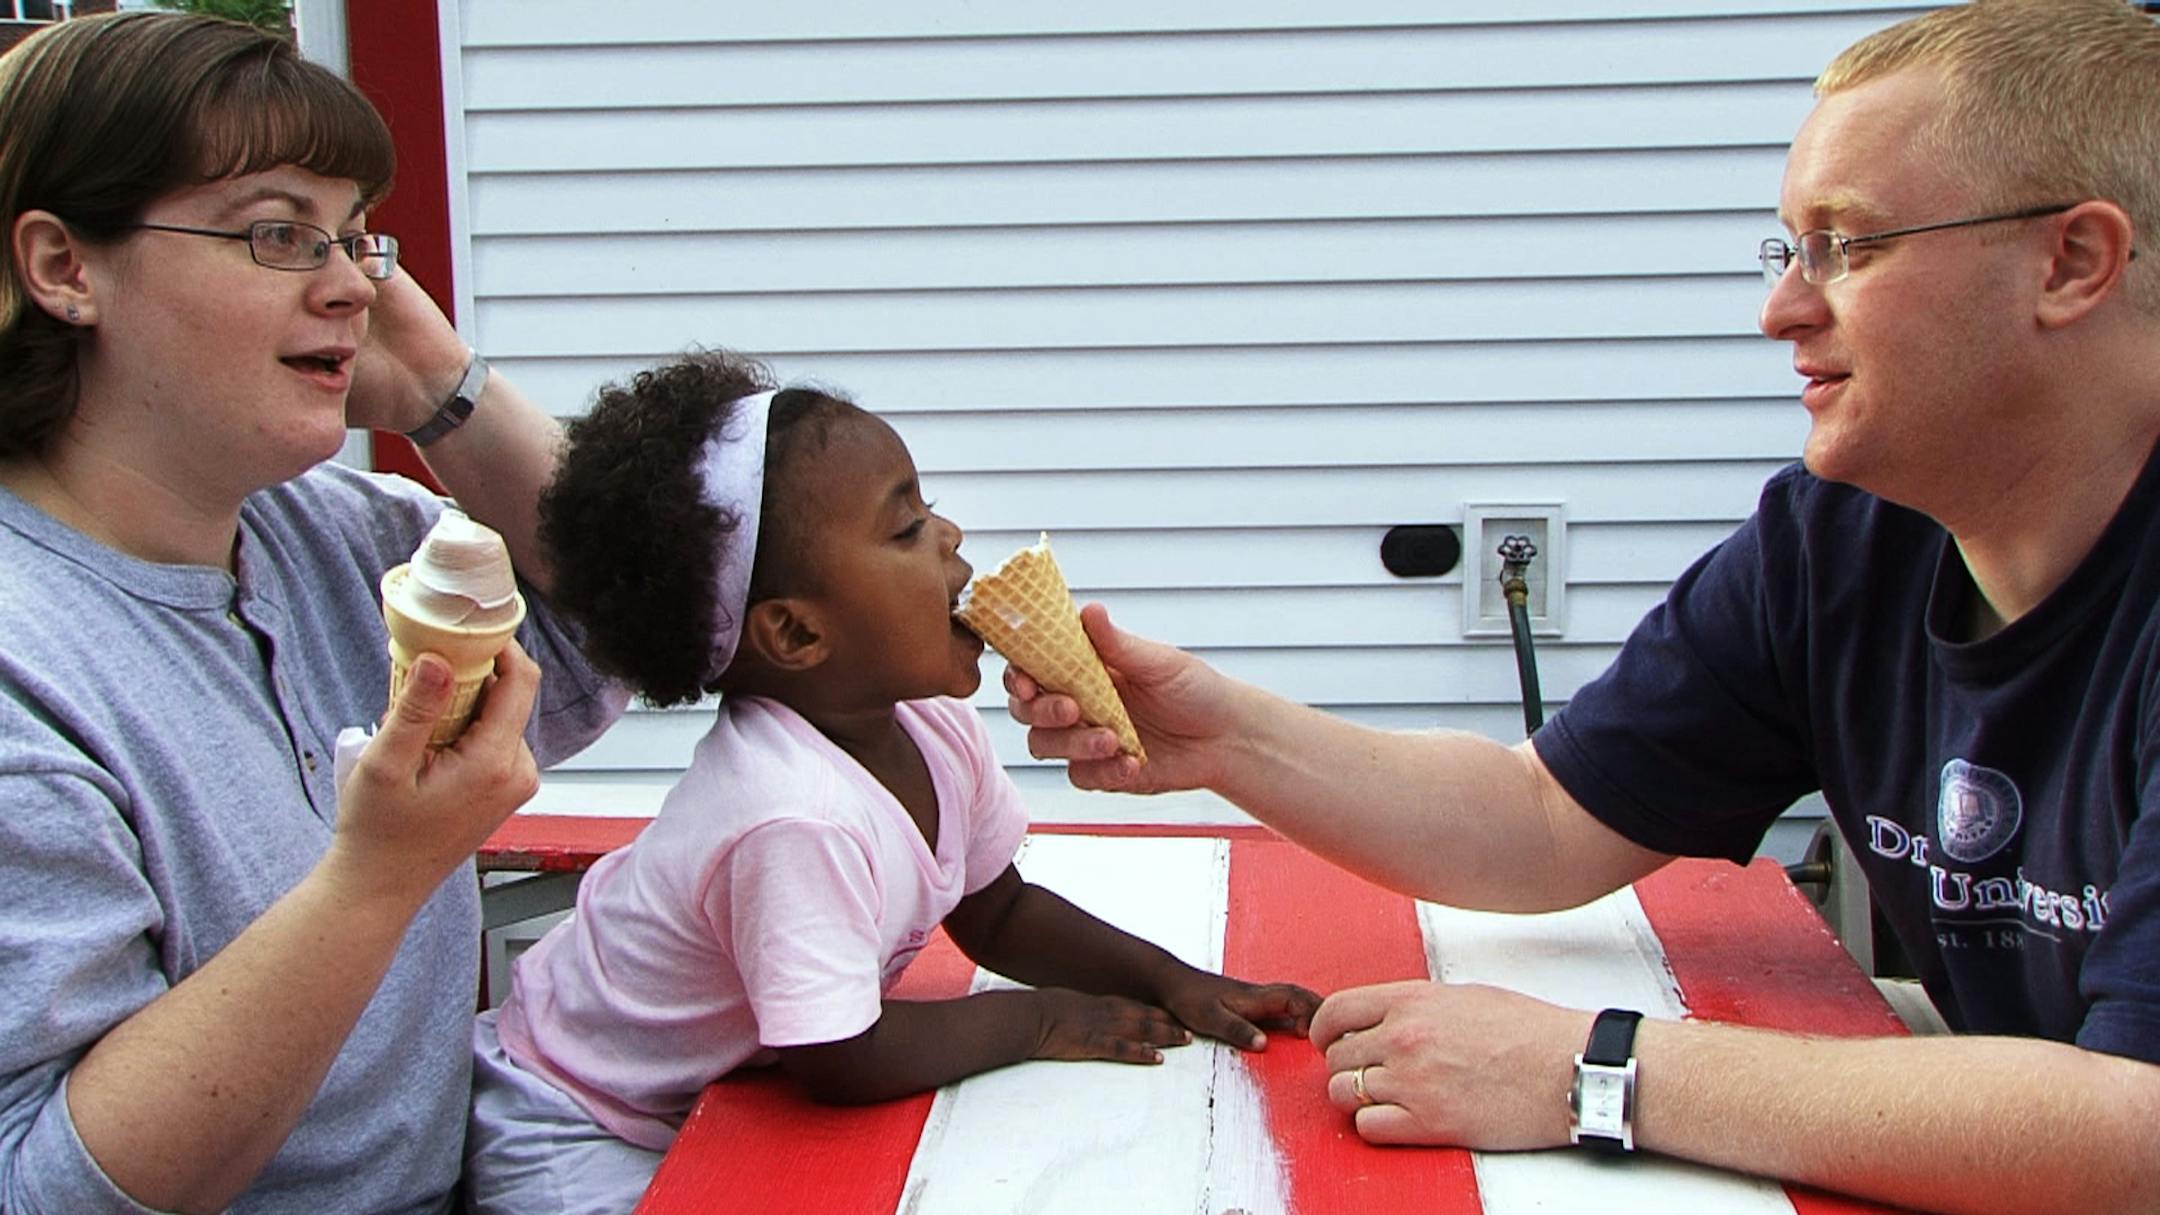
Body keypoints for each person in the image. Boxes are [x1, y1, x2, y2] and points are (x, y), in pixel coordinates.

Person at [1007, 1, 2160, 1211]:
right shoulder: (1840, 545)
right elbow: (1548, 819)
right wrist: (1225, 739)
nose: (1783, 310)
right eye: (1787, 250)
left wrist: (1594, 1070)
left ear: (2072, 263)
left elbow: (2136, 1133)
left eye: (1850, 246)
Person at [0, 12, 625, 1213]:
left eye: (354, 239)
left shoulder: (341, 538)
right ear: (66, 268)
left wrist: (446, 388)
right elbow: (49, 1188)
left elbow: (641, 622)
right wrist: (375, 881)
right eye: (279, 233)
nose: (350, 286)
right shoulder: (27, 659)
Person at [464, 350, 1321, 1214]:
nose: (950, 538)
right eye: (904, 529)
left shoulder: (933, 724)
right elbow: (842, 1054)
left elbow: (1001, 911)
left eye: (931, 509)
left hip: (700, 1092)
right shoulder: (790, 814)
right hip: (573, 1116)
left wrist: (1171, 977)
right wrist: (1041, 1021)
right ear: (798, 633)